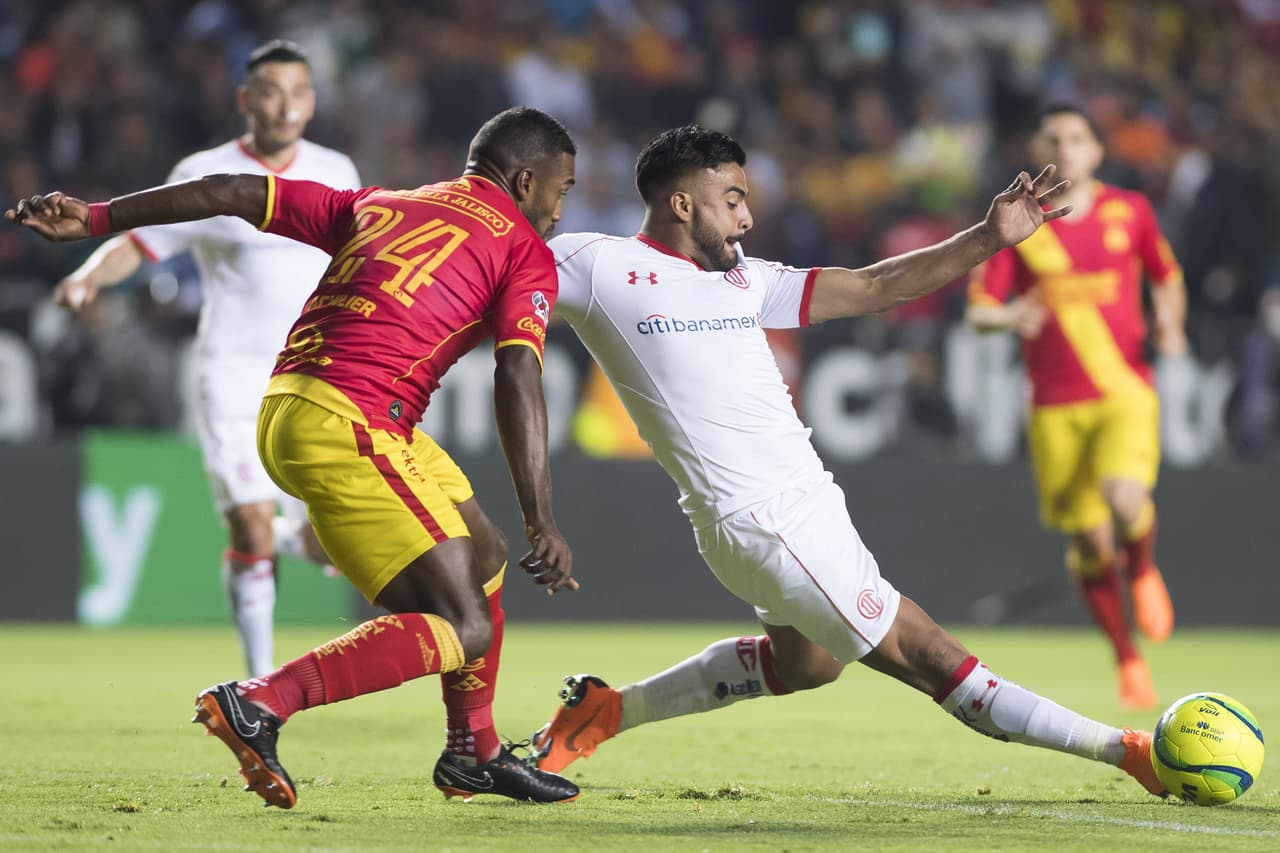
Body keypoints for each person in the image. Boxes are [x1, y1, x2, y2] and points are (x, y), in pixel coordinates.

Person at [524, 125, 1166, 800]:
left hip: (801, 507)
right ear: (682, 204)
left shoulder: (744, 279)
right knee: (931, 657)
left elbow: (870, 287)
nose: (748, 215)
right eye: (733, 197)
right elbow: (494, 269)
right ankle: (1127, 751)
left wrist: (987, 237)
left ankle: (607, 709)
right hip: (764, 523)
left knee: (808, 665)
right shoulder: (595, 264)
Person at [9, 106, 582, 808]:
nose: (561, 207)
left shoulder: (381, 202)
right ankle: (260, 700)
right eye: (563, 188)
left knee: (484, 553)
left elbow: (233, 192)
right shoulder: (524, 250)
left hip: (293, 405)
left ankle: (475, 751)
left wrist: (99, 217)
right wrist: (543, 517)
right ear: (526, 181)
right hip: (354, 423)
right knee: (459, 625)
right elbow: (517, 375)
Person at [51, 40, 362, 679]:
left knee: (329, 545)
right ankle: (257, 687)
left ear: (311, 102)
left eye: (298, 93)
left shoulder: (337, 170)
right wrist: (88, 275)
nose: (285, 106)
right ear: (247, 100)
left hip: (315, 374)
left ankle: (283, 538)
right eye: (271, 92)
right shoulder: (207, 168)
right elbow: (142, 241)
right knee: (250, 525)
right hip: (233, 369)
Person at [965, 104, 1184, 709]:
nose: (1065, 146)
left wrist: (1170, 319)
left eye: (1076, 137)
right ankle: (1127, 657)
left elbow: (1166, 274)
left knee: (1125, 499)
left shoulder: (1130, 210)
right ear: (1037, 151)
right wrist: (1010, 315)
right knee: (1089, 544)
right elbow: (980, 310)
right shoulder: (1018, 227)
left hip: (1124, 388)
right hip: (1055, 404)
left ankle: (1141, 567)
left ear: (1097, 152)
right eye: (1052, 138)